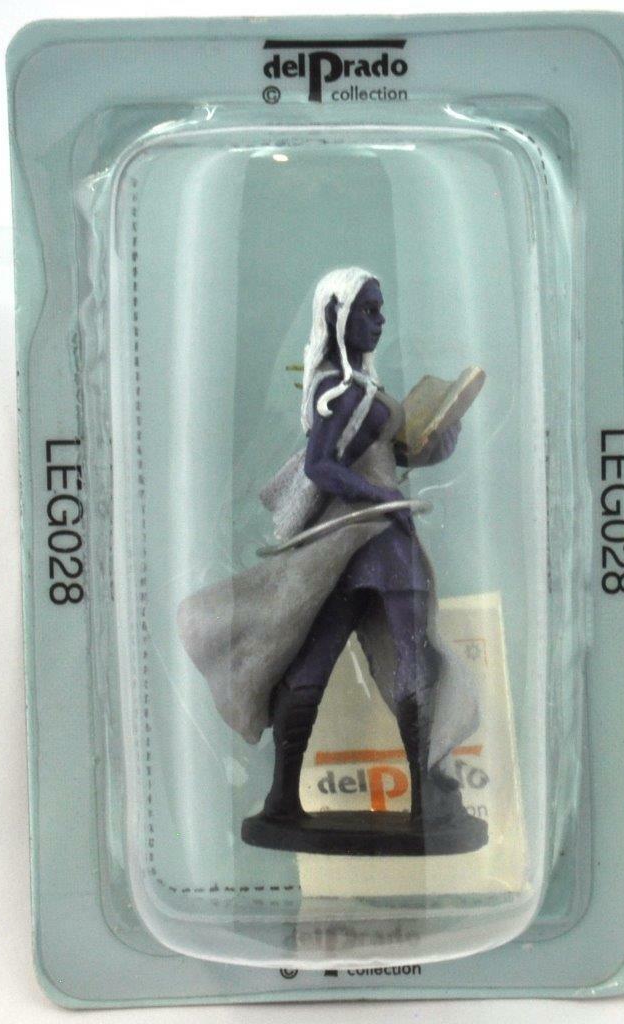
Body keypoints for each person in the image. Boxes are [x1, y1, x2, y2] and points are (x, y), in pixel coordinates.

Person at [178, 267, 482, 840]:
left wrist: (436, 442)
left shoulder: (358, 387)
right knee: (391, 660)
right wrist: (380, 494)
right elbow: (321, 466)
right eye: (368, 310)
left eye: (380, 309)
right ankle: (352, 801)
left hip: (357, 544)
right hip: (371, 542)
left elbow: (382, 456)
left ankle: (308, 799)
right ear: (336, 317)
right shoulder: (339, 391)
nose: (380, 320)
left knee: (344, 660)